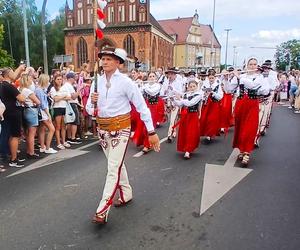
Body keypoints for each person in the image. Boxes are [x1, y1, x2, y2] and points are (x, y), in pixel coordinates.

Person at [86, 47, 160, 224]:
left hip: (121, 129)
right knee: (117, 164)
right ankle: (126, 194)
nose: (104, 62)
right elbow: (89, 110)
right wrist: (92, 103)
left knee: (113, 168)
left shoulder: (126, 83)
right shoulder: (96, 81)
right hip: (103, 131)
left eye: (109, 59)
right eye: (103, 59)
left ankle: (102, 209)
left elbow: (142, 107)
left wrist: (151, 132)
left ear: (118, 62)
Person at [226, 58, 270, 166]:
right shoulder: (242, 76)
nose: (253, 66)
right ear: (247, 65)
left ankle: (247, 152)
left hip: (252, 104)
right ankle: (241, 149)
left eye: (255, 64)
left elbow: (254, 86)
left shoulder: (260, 77)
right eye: (250, 64)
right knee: (240, 127)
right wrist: (228, 78)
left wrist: (238, 76)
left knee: (250, 128)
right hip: (241, 104)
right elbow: (229, 90)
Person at [0, 67, 26, 167]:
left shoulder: (2, 85)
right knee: (15, 136)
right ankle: (14, 159)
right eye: (12, 72)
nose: (13, 74)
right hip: (13, 113)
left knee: (10, 135)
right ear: (8, 74)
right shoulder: (10, 86)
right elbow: (22, 98)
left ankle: (12, 156)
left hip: (7, 113)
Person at [132, 72, 161, 153]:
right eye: (150, 76)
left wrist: (143, 86)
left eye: (153, 76)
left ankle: (147, 145)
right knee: (142, 125)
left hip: (154, 107)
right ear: (148, 78)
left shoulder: (158, 86)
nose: (151, 78)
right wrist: (138, 85)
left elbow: (152, 92)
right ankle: (146, 143)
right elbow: (139, 94)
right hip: (146, 106)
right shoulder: (146, 86)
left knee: (149, 127)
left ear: (156, 78)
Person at [174, 80, 203, 159]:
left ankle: (188, 150)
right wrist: (174, 99)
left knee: (191, 132)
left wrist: (180, 98)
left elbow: (190, 103)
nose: (192, 88)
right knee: (184, 132)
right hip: (185, 115)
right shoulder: (186, 94)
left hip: (193, 115)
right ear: (188, 87)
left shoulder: (199, 94)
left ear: (197, 87)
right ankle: (185, 148)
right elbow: (180, 104)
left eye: (194, 86)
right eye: (190, 87)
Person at [19, 73, 41, 159]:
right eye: (30, 79)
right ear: (27, 81)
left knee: (27, 133)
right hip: (31, 110)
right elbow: (38, 102)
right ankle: (31, 152)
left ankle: (29, 150)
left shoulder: (19, 89)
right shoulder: (28, 91)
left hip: (24, 110)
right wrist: (34, 102)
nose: (31, 81)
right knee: (32, 133)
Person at [160, 67, 184, 142]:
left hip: (175, 102)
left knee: (173, 119)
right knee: (171, 119)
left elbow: (180, 93)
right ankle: (174, 131)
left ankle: (169, 135)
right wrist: (164, 91)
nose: (170, 75)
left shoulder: (178, 82)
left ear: (175, 75)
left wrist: (173, 89)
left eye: (172, 74)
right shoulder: (165, 82)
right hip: (168, 102)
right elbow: (161, 92)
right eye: (169, 74)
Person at [35, 74, 57, 154]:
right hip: (43, 111)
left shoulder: (38, 89)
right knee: (52, 129)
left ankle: (42, 146)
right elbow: (43, 104)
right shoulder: (40, 90)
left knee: (42, 129)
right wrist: (48, 114)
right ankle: (47, 147)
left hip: (40, 111)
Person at [199, 69, 223, 142]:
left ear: (215, 78)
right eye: (210, 78)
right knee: (204, 119)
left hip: (214, 104)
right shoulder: (205, 84)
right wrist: (204, 95)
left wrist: (213, 93)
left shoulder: (217, 85)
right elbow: (200, 93)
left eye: (212, 78)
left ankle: (209, 134)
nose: (211, 79)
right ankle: (205, 132)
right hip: (206, 104)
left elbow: (220, 96)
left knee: (212, 119)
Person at [50, 74, 71, 150]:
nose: (59, 81)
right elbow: (55, 99)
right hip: (57, 108)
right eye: (58, 79)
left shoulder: (64, 87)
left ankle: (64, 141)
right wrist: (63, 96)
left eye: (60, 79)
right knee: (58, 126)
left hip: (64, 107)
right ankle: (59, 142)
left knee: (63, 126)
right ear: (55, 80)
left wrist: (61, 97)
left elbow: (69, 97)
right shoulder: (53, 88)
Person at [62, 72, 82, 144]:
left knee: (69, 121)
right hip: (72, 104)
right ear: (71, 78)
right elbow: (73, 97)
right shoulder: (69, 86)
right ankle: (73, 137)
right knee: (75, 121)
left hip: (67, 104)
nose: (75, 79)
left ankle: (69, 137)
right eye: (74, 78)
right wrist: (79, 89)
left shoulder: (65, 85)